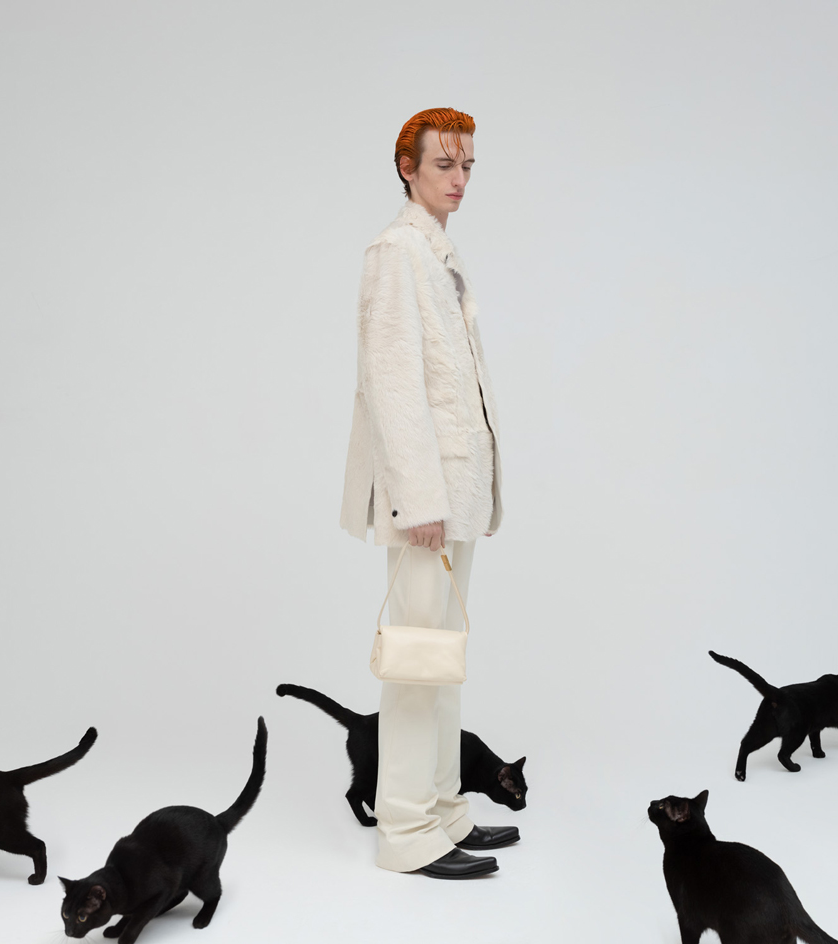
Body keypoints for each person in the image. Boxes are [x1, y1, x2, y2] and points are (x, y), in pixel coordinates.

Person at [339, 107, 517, 878]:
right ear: (406, 168)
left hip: (455, 497)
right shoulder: (396, 252)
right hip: (425, 504)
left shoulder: (437, 251)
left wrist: (470, 493)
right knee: (416, 665)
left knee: (443, 658)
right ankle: (407, 832)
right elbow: (392, 384)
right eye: (445, 164)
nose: (459, 179)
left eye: (467, 165)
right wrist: (418, 501)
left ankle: (444, 810)